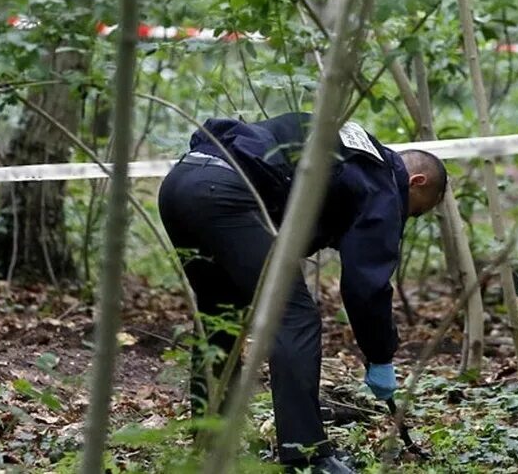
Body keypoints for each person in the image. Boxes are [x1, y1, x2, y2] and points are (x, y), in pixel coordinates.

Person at [157, 112, 447, 473]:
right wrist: (380, 356)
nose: (407, 218)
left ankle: (211, 440)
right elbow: (365, 284)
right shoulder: (385, 183)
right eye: (416, 211)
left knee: (222, 316)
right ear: (416, 182)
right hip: (227, 193)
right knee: (294, 316)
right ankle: (307, 455)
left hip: (182, 182)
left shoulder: (352, 148)